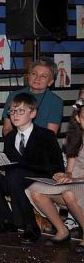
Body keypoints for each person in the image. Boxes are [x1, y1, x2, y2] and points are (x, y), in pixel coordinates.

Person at [0, 92, 64, 244]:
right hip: (16, 177)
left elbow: (57, 164)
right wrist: (1, 166)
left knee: (15, 174)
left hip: (38, 176)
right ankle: (5, 221)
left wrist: (58, 173)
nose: (15, 115)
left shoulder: (46, 135)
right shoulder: (10, 137)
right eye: (12, 111)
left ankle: (30, 225)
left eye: (20, 111)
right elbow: (9, 161)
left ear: (33, 113)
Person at [26, 96, 84, 253]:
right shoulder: (75, 136)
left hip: (79, 184)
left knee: (69, 194)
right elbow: (71, 166)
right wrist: (65, 174)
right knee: (35, 190)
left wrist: (74, 179)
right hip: (75, 182)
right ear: (78, 119)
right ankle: (62, 230)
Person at [1, 58, 63, 136]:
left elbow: (51, 134)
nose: (37, 78)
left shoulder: (55, 102)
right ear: (28, 76)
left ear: (50, 82)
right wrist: (16, 141)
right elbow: (7, 128)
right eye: (34, 74)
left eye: (43, 76)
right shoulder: (14, 96)